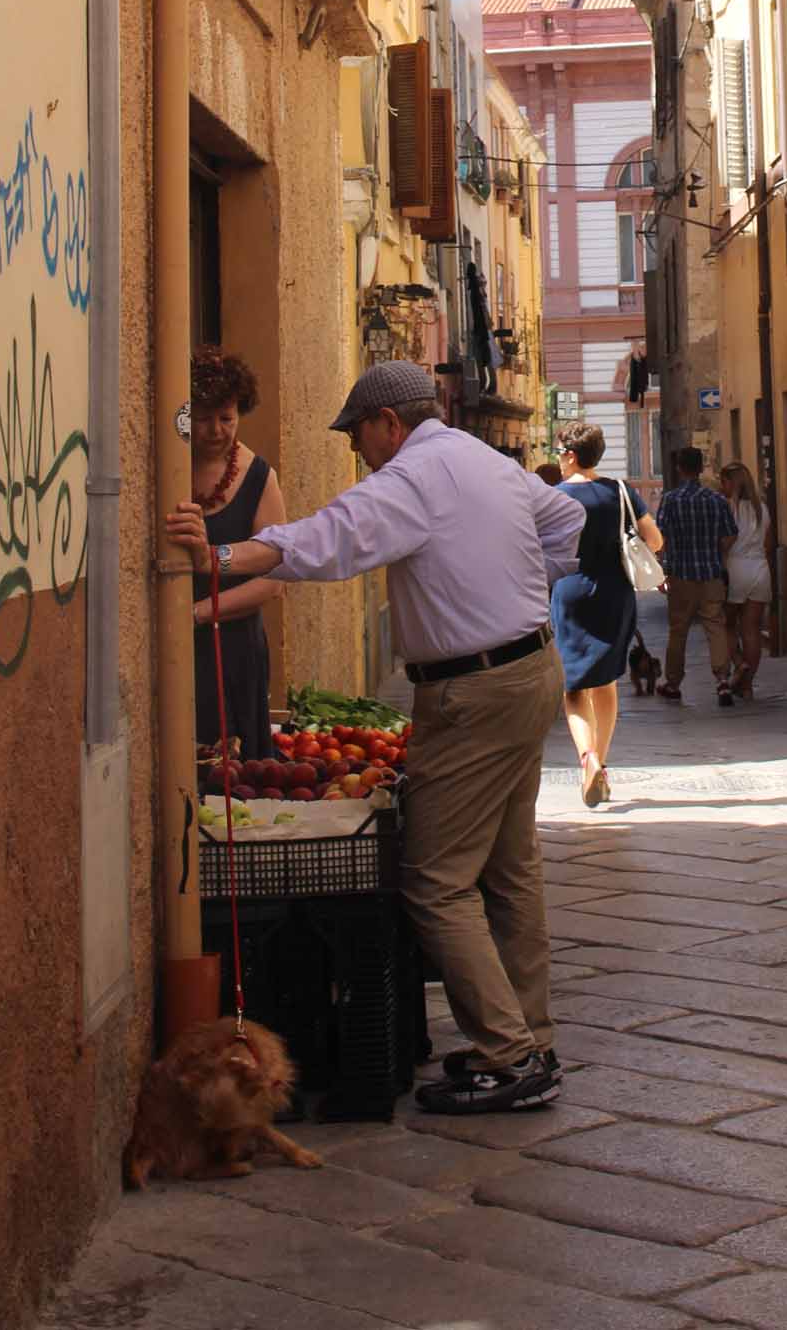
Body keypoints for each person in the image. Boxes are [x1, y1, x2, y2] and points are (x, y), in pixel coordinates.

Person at [166, 359, 586, 1117]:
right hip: (530, 669)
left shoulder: (413, 477)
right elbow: (567, 522)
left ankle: (511, 1056)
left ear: (390, 423)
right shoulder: (485, 461)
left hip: (473, 690)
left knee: (436, 881)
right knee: (509, 870)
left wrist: (219, 558)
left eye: (358, 434)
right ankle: (531, 1038)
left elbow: (324, 541)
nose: (356, 451)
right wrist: (516, 586)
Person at [551, 424, 665, 806]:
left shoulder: (554, 497)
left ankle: (589, 759)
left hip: (570, 592)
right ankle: (603, 759)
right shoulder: (621, 491)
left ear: (570, 454)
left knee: (573, 686)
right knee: (607, 681)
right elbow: (655, 540)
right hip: (615, 592)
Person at [188, 347, 286, 763]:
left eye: (226, 418)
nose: (215, 430)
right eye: (204, 417)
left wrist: (200, 612)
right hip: (176, 645)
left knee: (236, 765)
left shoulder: (260, 478)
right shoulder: (166, 466)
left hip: (234, 647)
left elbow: (274, 577)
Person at [654, 446, 738, 707]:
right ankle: (723, 680)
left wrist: (661, 569)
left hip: (681, 575)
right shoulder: (716, 500)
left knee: (678, 630)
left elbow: (660, 539)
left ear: (680, 468)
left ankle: (673, 682)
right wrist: (719, 553)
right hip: (711, 573)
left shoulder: (670, 500)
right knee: (715, 625)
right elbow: (730, 535)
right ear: (701, 468)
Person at [720, 461, 772, 700]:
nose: (723, 487)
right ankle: (747, 685)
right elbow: (768, 543)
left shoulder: (727, 508)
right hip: (760, 570)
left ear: (731, 483)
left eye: (724, 482)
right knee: (752, 630)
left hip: (735, 568)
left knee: (727, 626)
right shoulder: (762, 508)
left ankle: (739, 663)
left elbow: (724, 541)